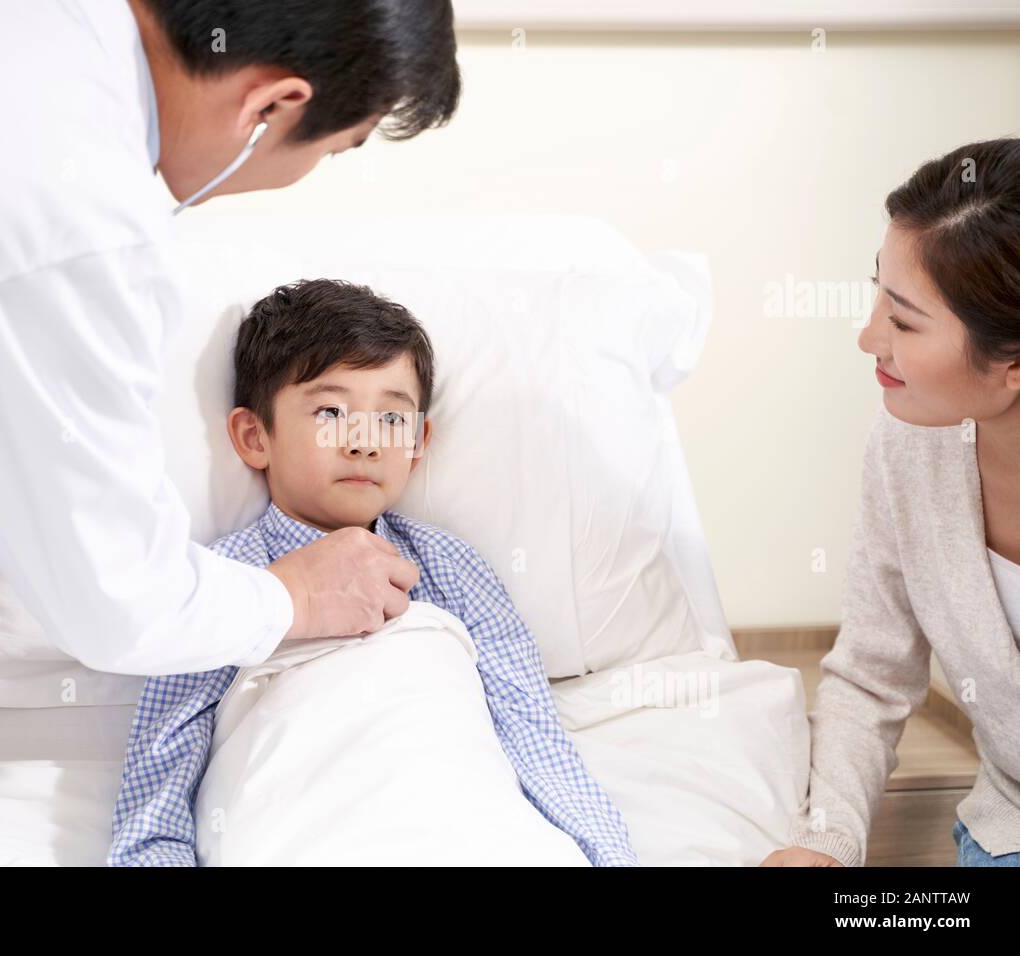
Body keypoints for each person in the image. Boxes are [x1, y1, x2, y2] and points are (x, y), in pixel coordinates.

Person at [0, 0, 460, 864]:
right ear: (269, 108)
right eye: (331, 151)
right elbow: (117, 596)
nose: (365, 439)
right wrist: (290, 597)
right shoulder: (66, 206)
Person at [108, 279, 637, 866]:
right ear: (255, 436)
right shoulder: (223, 581)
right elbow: (159, 782)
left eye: (392, 419)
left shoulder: (449, 567)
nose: (364, 441)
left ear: (417, 444)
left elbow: (534, 736)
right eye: (331, 411)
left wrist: (609, 858)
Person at [762, 139, 1020, 867]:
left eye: (903, 322)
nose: (867, 336)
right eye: (878, 294)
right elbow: (873, 674)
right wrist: (829, 841)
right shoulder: (913, 448)